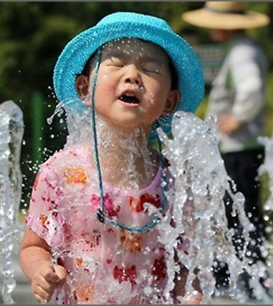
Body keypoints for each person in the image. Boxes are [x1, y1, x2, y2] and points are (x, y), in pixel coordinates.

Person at [19, 12, 205, 304]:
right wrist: (41, 269)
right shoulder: (61, 173)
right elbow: (33, 246)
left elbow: (185, 262)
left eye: (151, 69)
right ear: (84, 89)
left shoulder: (175, 181)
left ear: (170, 101)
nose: (132, 75)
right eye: (116, 64)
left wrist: (190, 294)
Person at [182, 1, 271, 298]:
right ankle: (241, 275)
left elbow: (252, 88)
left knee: (240, 212)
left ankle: (250, 277)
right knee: (234, 211)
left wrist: (237, 118)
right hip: (238, 148)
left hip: (238, 147)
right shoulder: (240, 48)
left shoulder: (242, 52)